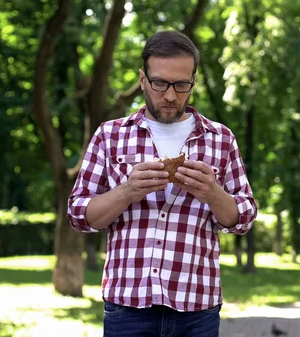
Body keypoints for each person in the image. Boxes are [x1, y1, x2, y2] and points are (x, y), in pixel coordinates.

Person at [67, 30, 258, 337]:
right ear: (143, 79)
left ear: (193, 80)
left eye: (182, 85)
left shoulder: (221, 139)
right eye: (159, 83)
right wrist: (127, 191)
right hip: (128, 305)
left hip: (197, 306)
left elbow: (244, 218)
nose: (170, 95)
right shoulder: (110, 135)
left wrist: (213, 193)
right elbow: (79, 215)